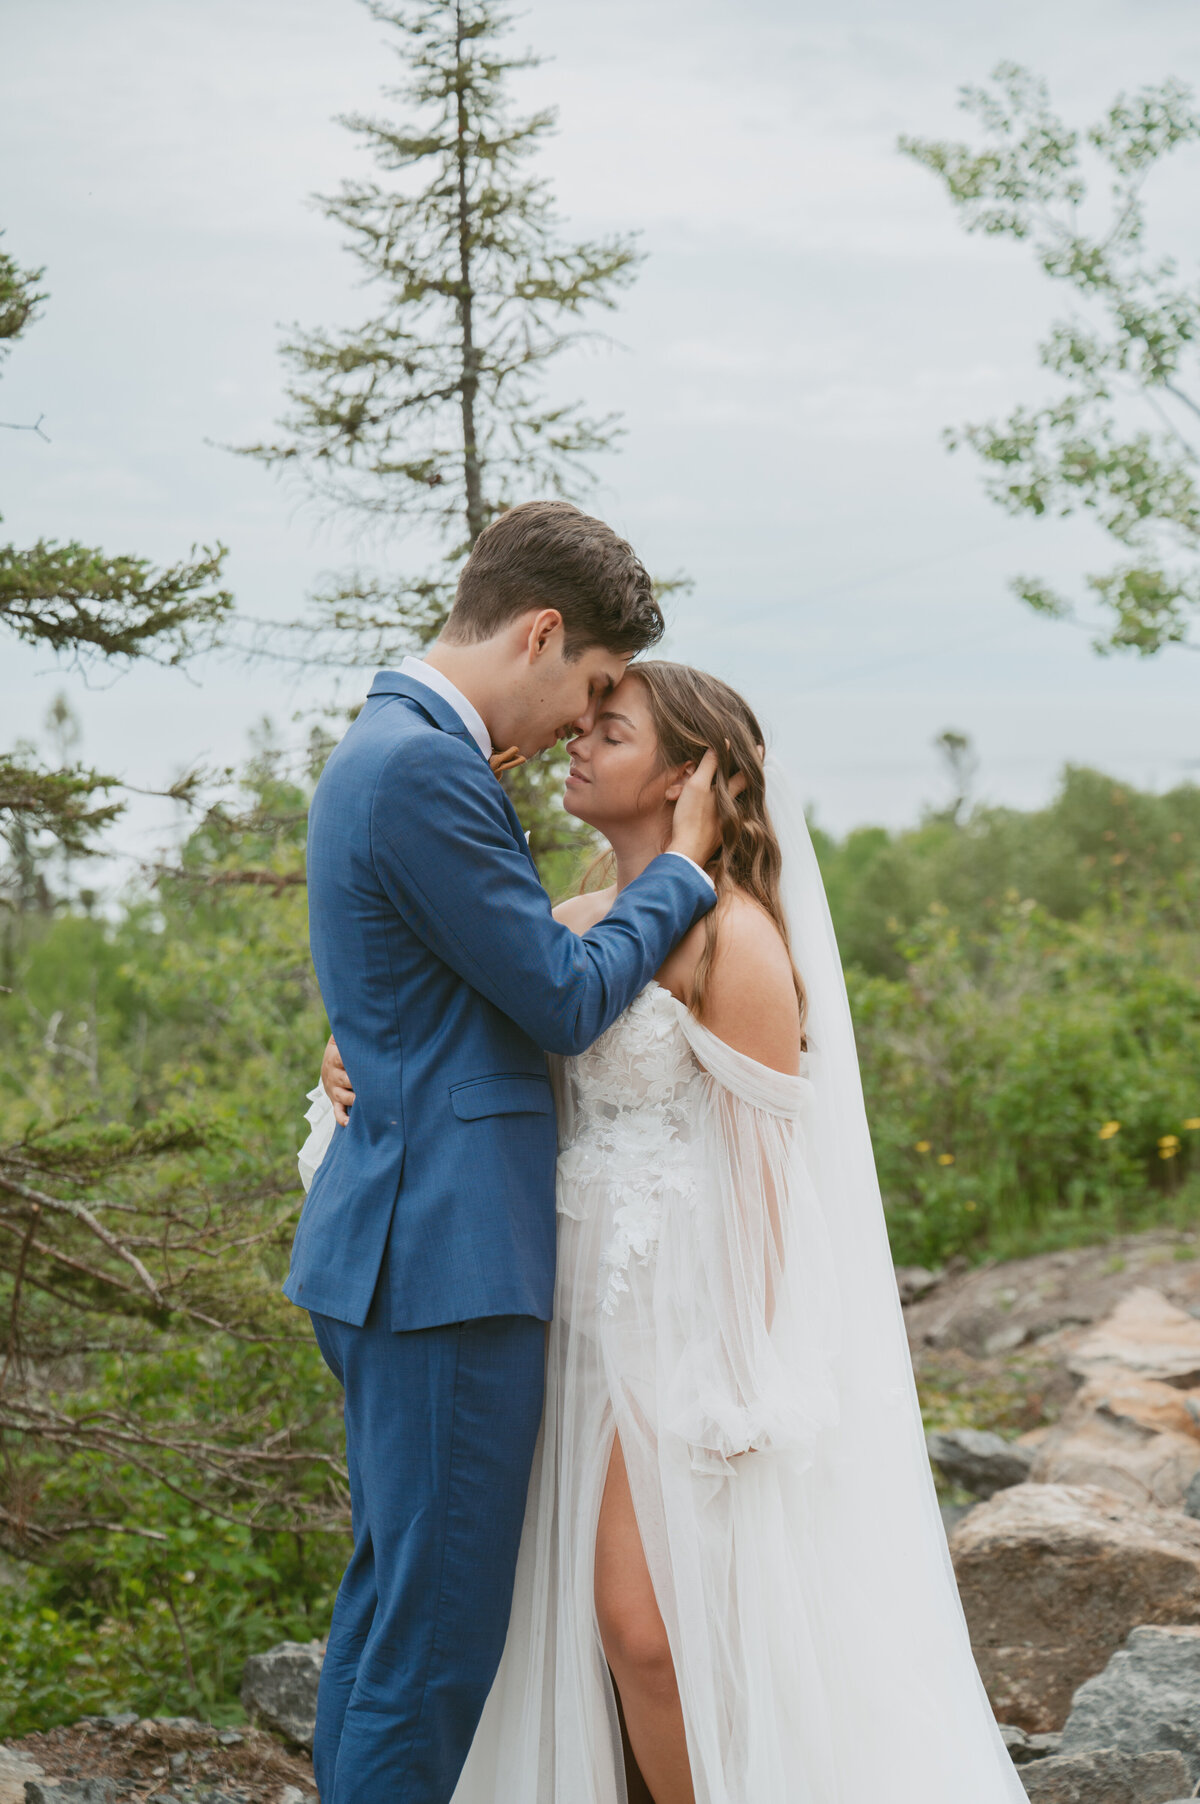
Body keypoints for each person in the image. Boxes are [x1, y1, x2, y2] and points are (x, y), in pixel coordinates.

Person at [312, 659, 1030, 1804]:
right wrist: (350, 1051)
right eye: (582, 722)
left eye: (612, 729)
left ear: (688, 776)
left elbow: (768, 1182)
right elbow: (453, 1020)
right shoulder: (577, 920)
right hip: (555, 1298)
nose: (577, 745)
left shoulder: (735, 940)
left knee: (641, 1625)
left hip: (677, 1313)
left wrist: (742, 1371)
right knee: (565, 1626)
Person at [289, 503, 729, 1804]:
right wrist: (687, 868)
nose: (566, 736)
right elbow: (560, 996)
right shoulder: (428, 765)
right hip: (445, 1263)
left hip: (408, 1250)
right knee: (427, 1659)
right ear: (540, 632)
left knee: (388, 1628)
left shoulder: (390, 749)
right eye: (588, 688)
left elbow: (439, 986)